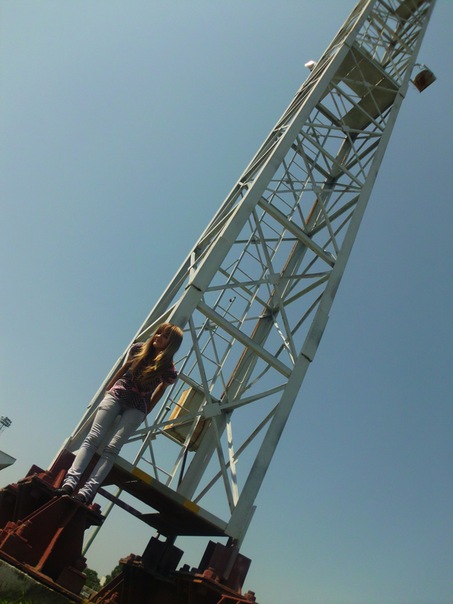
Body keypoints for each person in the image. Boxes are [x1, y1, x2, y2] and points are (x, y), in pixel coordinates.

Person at [55, 322, 183, 504]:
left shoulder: (168, 369)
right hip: (118, 393)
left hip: (138, 405)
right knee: (93, 437)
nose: (158, 337)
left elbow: (161, 390)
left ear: (172, 344)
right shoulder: (139, 349)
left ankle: (86, 492)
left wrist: (147, 410)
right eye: (159, 333)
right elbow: (124, 368)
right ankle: (70, 482)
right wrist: (109, 387)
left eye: (165, 336)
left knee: (112, 449)